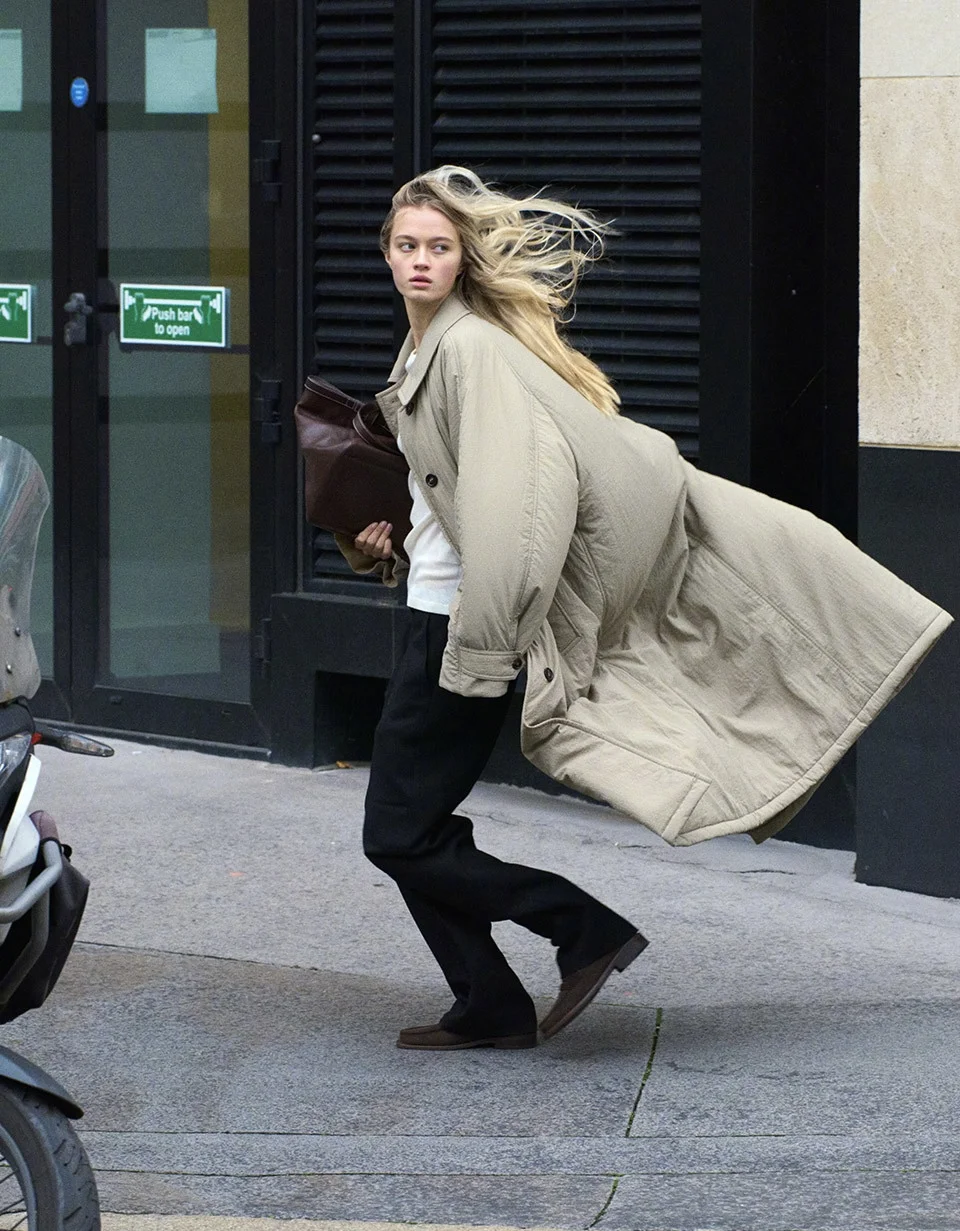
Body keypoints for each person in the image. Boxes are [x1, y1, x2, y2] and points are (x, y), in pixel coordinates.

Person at [336, 166, 951, 1052]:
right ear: (387, 255)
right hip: (441, 606)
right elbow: (449, 500)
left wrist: (481, 652)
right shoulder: (424, 349)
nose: (421, 260)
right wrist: (380, 545)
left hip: (461, 627)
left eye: (438, 245)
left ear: (463, 257)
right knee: (414, 828)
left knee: (396, 833)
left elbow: (518, 509)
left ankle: (579, 926)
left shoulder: (469, 350)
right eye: (406, 246)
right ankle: (490, 1002)